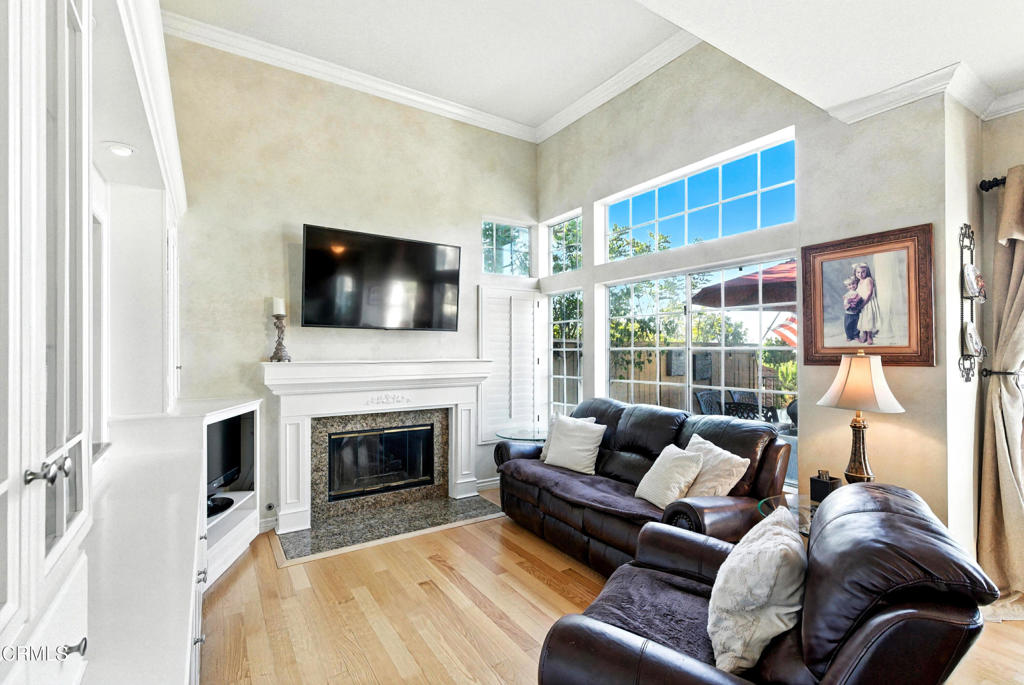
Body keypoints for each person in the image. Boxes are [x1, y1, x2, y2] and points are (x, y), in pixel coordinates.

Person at [853, 262, 882, 344]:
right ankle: (864, 335)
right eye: (858, 272)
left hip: (868, 302)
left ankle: (869, 336)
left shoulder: (868, 280)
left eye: (863, 272)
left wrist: (863, 304)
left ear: (867, 272)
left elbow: (869, 293)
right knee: (863, 319)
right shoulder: (859, 282)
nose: (860, 274)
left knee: (869, 318)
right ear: (855, 273)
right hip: (861, 302)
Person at [842, 276, 862, 342]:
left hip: (856, 312)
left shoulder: (858, 293)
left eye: (853, 284)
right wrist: (849, 304)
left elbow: (860, 301)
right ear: (847, 287)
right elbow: (845, 303)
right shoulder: (847, 294)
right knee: (848, 325)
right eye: (849, 285)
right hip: (849, 313)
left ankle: (856, 336)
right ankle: (849, 336)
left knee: (857, 324)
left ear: (856, 284)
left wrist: (857, 302)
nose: (852, 286)